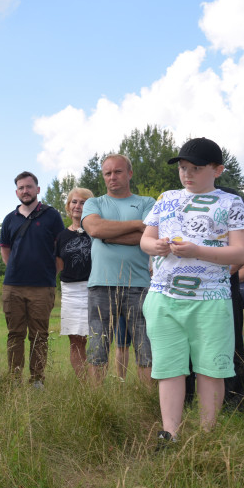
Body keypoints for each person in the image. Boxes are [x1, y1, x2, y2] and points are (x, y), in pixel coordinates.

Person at [140, 138, 244, 445]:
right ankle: (170, 433)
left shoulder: (231, 203)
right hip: (163, 296)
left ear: (218, 170)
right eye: (183, 168)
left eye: (196, 169)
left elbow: (241, 252)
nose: (187, 174)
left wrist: (197, 251)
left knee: (210, 368)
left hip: (211, 299)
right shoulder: (165, 198)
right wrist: (156, 246)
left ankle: (207, 435)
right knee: (169, 368)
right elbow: (145, 241)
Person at [81, 155, 155, 385]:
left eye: (118, 172)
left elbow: (149, 235)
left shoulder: (147, 203)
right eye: (108, 173)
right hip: (101, 285)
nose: (112, 177)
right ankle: (97, 403)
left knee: (145, 349)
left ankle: (147, 401)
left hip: (139, 285)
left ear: (130, 173)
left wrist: (108, 235)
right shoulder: (94, 203)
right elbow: (94, 229)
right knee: (97, 348)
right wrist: (135, 225)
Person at [0, 171, 65, 386]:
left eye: (29, 187)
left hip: (42, 287)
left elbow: (61, 250)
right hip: (13, 287)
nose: (25, 191)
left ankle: (37, 379)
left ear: (37, 189)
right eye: (21, 187)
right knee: (15, 334)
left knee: (39, 336)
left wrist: (48, 274)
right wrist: (16, 269)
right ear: (16, 191)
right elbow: (5, 250)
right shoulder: (10, 219)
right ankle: (15, 378)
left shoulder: (52, 215)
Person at [55, 188, 94, 379]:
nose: (78, 206)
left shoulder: (97, 233)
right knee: (75, 341)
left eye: (83, 202)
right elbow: (58, 266)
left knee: (95, 339)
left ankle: (96, 384)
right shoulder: (61, 237)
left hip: (94, 289)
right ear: (68, 207)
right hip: (70, 291)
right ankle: (83, 383)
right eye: (74, 202)